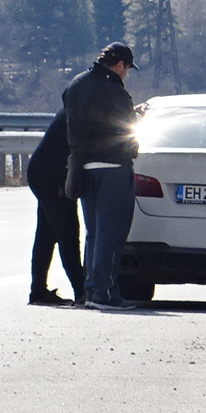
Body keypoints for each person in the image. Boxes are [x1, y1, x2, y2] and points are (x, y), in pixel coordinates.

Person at [63, 42, 142, 311]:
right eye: (127, 68)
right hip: (113, 169)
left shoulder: (76, 84)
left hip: (84, 168)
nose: (126, 74)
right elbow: (128, 135)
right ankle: (106, 293)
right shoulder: (117, 94)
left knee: (94, 233)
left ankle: (92, 290)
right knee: (112, 233)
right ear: (120, 65)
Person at [25, 111, 85, 305]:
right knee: (67, 232)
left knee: (46, 234)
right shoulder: (85, 110)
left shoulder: (78, 103)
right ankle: (81, 291)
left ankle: (38, 292)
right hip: (51, 176)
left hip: (44, 172)